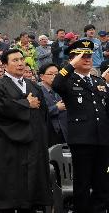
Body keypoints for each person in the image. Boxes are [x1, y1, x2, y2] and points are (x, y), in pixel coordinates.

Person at [0, 49, 52, 212]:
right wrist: (25, 104)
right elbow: (0, 110)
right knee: (11, 190)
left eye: (22, 60)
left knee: (31, 192)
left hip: (33, 144)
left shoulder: (32, 86)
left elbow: (43, 112)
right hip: (10, 145)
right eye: (15, 60)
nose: (20, 63)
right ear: (4, 65)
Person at [52, 40, 109, 212]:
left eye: (89, 56)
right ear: (73, 59)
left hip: (102, 139)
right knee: (82, 185)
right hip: (82, 139)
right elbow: (56, 84)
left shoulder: (98, 81)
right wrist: (71, 65)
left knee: (103, 184)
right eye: (82, 56)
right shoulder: (68, 80)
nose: (87, 59)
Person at [38, 63, 67, 145]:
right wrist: (56, 108)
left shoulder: (62, 89)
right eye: (50, 74)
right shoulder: (37, 91)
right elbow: (39, 112)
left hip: (65, 131)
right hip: (49, 133)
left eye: (56, 74)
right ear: (41, 76)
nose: (54, 76)